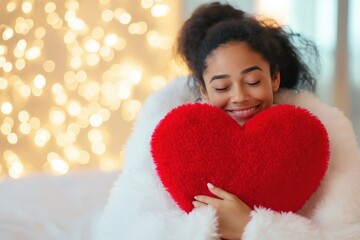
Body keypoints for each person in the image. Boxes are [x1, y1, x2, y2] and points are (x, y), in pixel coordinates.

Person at [97, 2, 360, 240]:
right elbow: (124, 227)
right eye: (222, 87)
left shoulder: (315, 130)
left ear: (275, 78)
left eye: (253, 81)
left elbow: (346, 231)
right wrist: (206, 225)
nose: (239, 97)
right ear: (203, 90)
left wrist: (250, 227)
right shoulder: (171, 131)